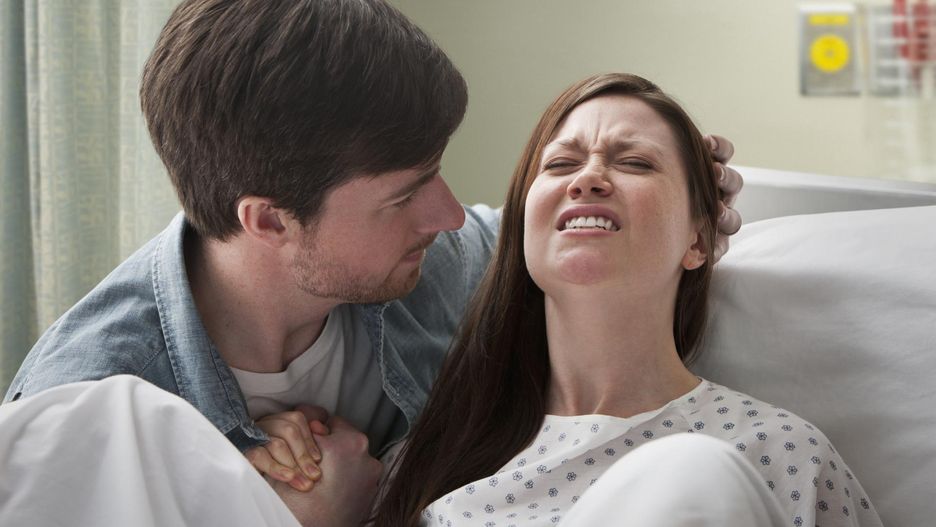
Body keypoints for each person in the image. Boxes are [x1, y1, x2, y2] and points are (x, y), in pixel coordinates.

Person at [1, 0, 742, 522]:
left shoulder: (439, 264)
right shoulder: (90, 423)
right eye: (406, 194)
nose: (449, 215)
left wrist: (684, 205)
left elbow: (548, 242)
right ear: (269, 220)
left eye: (436, 173)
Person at [373, 73, 883, 527]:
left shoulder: (780, 453)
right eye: (561, 164)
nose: (587, 179)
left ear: (698, 241)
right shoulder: (428, 461)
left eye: (635, 163)